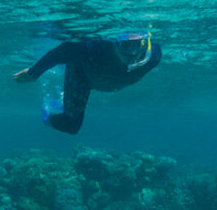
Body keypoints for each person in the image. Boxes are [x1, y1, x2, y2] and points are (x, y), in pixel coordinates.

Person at [14, 32, 162, 134]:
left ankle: (61, 100)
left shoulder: (152, 57)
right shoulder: (95, 48)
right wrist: (32, 74)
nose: (131, 54)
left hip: (104, 81)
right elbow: (63, 51)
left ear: (144, 44)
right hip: (82, 74)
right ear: (114, 42)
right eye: (125, 45)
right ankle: (47, 113)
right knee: (71, 125)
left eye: (136, 46)